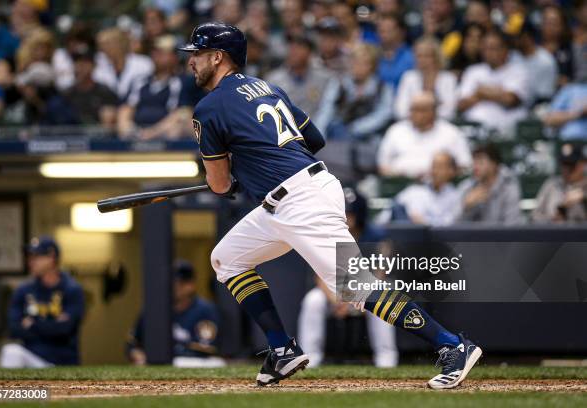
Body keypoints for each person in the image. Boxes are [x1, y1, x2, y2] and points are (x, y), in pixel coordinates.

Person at [178, 21, 481, 389]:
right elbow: (314, 138)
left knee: (356, 287)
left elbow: (220, 183)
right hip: (290, 196)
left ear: (218, 57)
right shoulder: (269, 88)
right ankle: (282, 350)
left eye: (197, 54)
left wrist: (232, 177)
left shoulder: (208, 107)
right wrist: (257, 162)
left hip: (300, 200)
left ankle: (453, 346)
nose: (192, 62)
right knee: (227, 259)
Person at [298, 188, 398, 368]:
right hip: (335, 288)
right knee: (313, 300)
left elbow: (379, 274)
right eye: (343, 212)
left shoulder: (377, 236)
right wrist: (337, 300)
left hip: (367, 289)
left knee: (384, 298)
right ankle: (310, 358)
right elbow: (320, 275)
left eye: (350, 213)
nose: (346, 217)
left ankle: (386, 358)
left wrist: (355, 300)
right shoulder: (325, 234)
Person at [0, 237, 85, 368]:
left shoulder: (72, 289)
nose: (31, 262)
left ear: (52, 257)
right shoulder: (23, 290)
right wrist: (52, 325)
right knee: (11, 351)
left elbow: (65, 329)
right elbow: (13, 328)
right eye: (30, 257)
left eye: (37, 257)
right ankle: (12, 389)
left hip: (63, 362)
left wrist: (32, 324)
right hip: (32, 358)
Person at [127, 261, 224, 368]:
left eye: (178, 283)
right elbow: (132, 344)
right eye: (169, 283)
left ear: (190, 285)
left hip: (193, 364)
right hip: (157, 365)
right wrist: (138, 355)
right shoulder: (152, 310)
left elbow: (206, 350)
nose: (173, 287)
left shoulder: (206, 310)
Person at [118, 35, 200, 140]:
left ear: (175, 57)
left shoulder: (184, 82)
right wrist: (128, 129)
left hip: (166, 132)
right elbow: (126, 108)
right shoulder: (139, 81)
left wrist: (151, 133)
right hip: (138, 131)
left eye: (162, 52)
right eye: (154, 52)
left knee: (180, 122)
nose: (156, 55)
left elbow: (183, 112)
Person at [377, 91, 472, 179]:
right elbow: (382, 165)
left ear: (433, 112)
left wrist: (443, 175)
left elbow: (464, 165)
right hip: (398, 185)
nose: (415, 114)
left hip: (436, 187)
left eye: (421, 110)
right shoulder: (396, 130)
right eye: (413, 109)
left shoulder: (451, 132)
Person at [457, 29, 530, 135]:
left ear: (505, 50)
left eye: (493, 48)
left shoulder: (519, 71)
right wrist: (497, 93)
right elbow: (462, 104)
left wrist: (480, 92)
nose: (488, 52)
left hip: (507, 131)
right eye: (485, 48)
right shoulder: (473, 71)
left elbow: (510, 100)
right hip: (475, 129)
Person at [314, 43, 393, 139]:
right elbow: (326, 110)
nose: (357, 66)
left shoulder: (383, 88)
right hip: (340, 134)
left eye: (363, 63)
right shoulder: (339, 83)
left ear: (373, 66)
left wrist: (357, 128)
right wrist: (319, 135)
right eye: (354, 62)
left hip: (369, 138)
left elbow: (384, 114)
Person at [266, 35, 330, 123]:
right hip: (284, 131)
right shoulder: (273, 79)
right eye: (292, 46)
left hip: (315, 129)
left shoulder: (323, 78)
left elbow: (326, 110)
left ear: (310, 53)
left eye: (300, 47)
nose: (294, 51)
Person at [457, 143, 524, 225]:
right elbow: (454, 226)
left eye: (480, 162)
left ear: (494, 164)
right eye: (474, 162)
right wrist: (466, 207)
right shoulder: (467, 187)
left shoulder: (509, 187)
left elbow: (512, 225)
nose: (475, 167)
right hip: (473, 237)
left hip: (501, 237)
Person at [394, 37, 458, 120]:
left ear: (436, 57)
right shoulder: (408, 77)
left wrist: (423, 116)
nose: (422, 60)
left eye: (427, 56)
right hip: (411, 124)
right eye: (419, 56)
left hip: (441, 124)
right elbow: (400, 109)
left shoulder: (448, 79)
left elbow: (449, 110)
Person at [393, 151, 462, 226]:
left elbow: (449, 223)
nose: (435, 171)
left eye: (440, 167)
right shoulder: (415, 190)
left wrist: (426, 221)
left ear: (451, 171)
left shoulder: (455, 196)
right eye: (433, 166)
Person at [532, 143, 587, 223]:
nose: (566, 170)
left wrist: (584, 200)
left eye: (571, 165)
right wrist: (561, 208)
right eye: (563, 164)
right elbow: (535, 218)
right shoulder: (551, 185)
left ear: (583, 164)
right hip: (554, 234)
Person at [94, 28, 154, 100]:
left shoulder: (144, 63)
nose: (104, 48)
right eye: (101, 45)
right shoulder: (98, 67)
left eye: (108, 44)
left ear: (121, 43)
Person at [512, 21, 558, 105]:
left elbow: (545, 96)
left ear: (528, 37)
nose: (513, 39)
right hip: (512, 105)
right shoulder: (511, 56)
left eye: (517, 36)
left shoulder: (545, 61)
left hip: (538, 107)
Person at [376, 13, 414, 89]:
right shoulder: (374, 55)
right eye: (381, 30)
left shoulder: (412, 56)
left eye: (388, 29)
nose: (383, 33)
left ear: (402, 32)